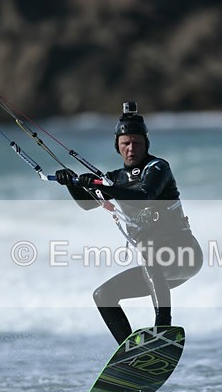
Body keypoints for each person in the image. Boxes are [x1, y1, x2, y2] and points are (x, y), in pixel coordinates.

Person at [54, 102, 203, 345]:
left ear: (146, 144)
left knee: (149, 253)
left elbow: (145, 195)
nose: (131, 148)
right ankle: (130, 352)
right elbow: (87, 203)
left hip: (185, 256)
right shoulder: (113, 179)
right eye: (126, 143)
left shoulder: (158, 168)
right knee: (103, 295)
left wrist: (104, 187)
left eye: (136, 142)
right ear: (118, 147)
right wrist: (71, 182)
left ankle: (163, 329)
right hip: (156, 268)